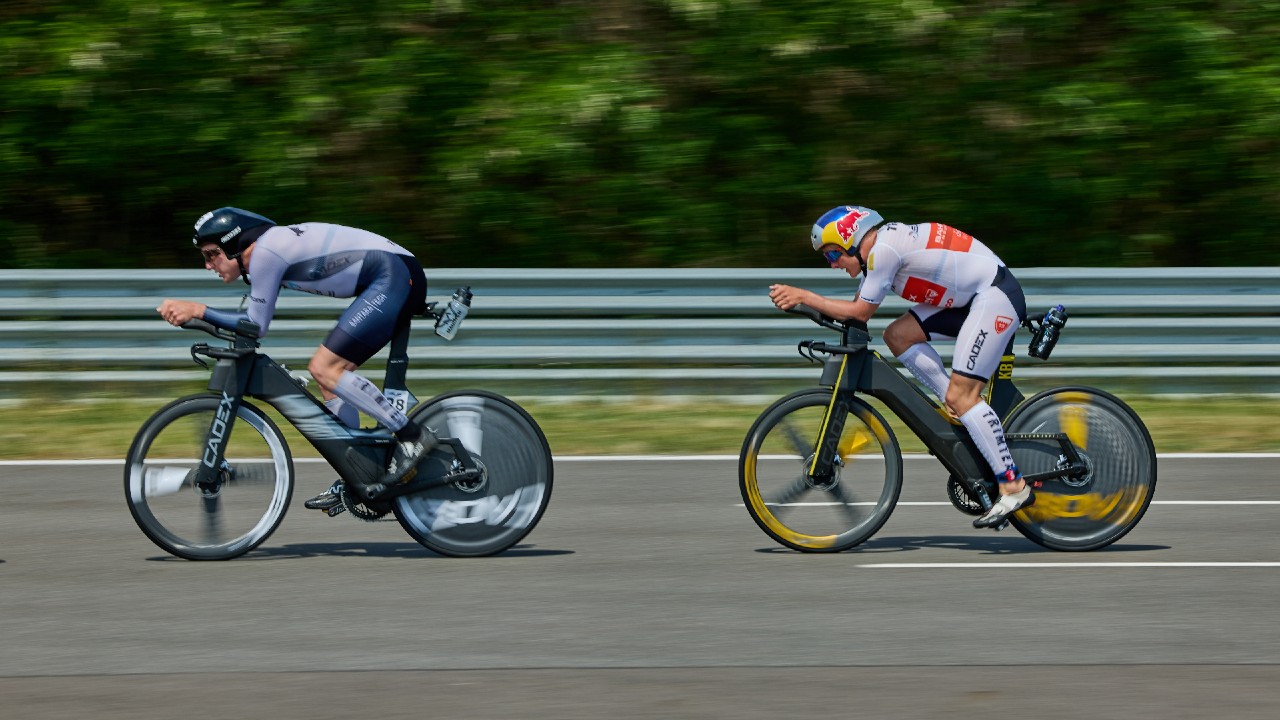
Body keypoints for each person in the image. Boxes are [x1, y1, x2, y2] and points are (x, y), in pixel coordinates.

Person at [768, 206, 1032, 529]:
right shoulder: (879, 255)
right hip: (972, 299)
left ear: (852, 240)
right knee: (898, 336)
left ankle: (1012, 485)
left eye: (834, 253)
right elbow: (852, 312)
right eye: (827, 258)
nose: (833, 263)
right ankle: (955, 406)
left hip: (994, 295)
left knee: (964, 395)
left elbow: (859, 312)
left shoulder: (884, 251)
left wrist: (805, 297)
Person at [157, 207, 434, 511]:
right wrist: (201, 318)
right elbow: (251, 325)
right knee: (331, 382)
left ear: (234, 244)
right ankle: (359, 473)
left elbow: (256, 325)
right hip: (392, 273)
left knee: (325, 368)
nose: (208, 265)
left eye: (212, 254)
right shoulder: (264, 252)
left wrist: (198, 310)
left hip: (394, 274)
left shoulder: (264, 253)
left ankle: (414, 436)